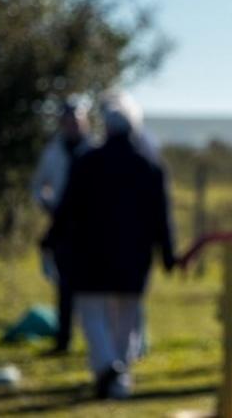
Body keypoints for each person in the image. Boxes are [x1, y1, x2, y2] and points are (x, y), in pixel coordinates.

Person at [50, 91, 175, 398]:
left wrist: (51, 239)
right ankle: (118, 375)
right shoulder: (149, 166)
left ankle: (108, 369)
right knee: (126, 319)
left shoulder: (87, 161)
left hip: (91, 257)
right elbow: (162, 217)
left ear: (105, 128)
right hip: (133, 259)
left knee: (92, 314)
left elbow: (67, 208)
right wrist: (168, 254)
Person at [31, 99, 92, 354]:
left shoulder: (94, 150)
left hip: (91, 227)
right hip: (62, 225)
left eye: (76, 122)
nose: (72, 126)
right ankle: (63, 339)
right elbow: (38, 185)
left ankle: (94, 342)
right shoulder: (53, 151)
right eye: (67, 122)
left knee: (91, 288)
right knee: (64, 285)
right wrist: (47, 204)